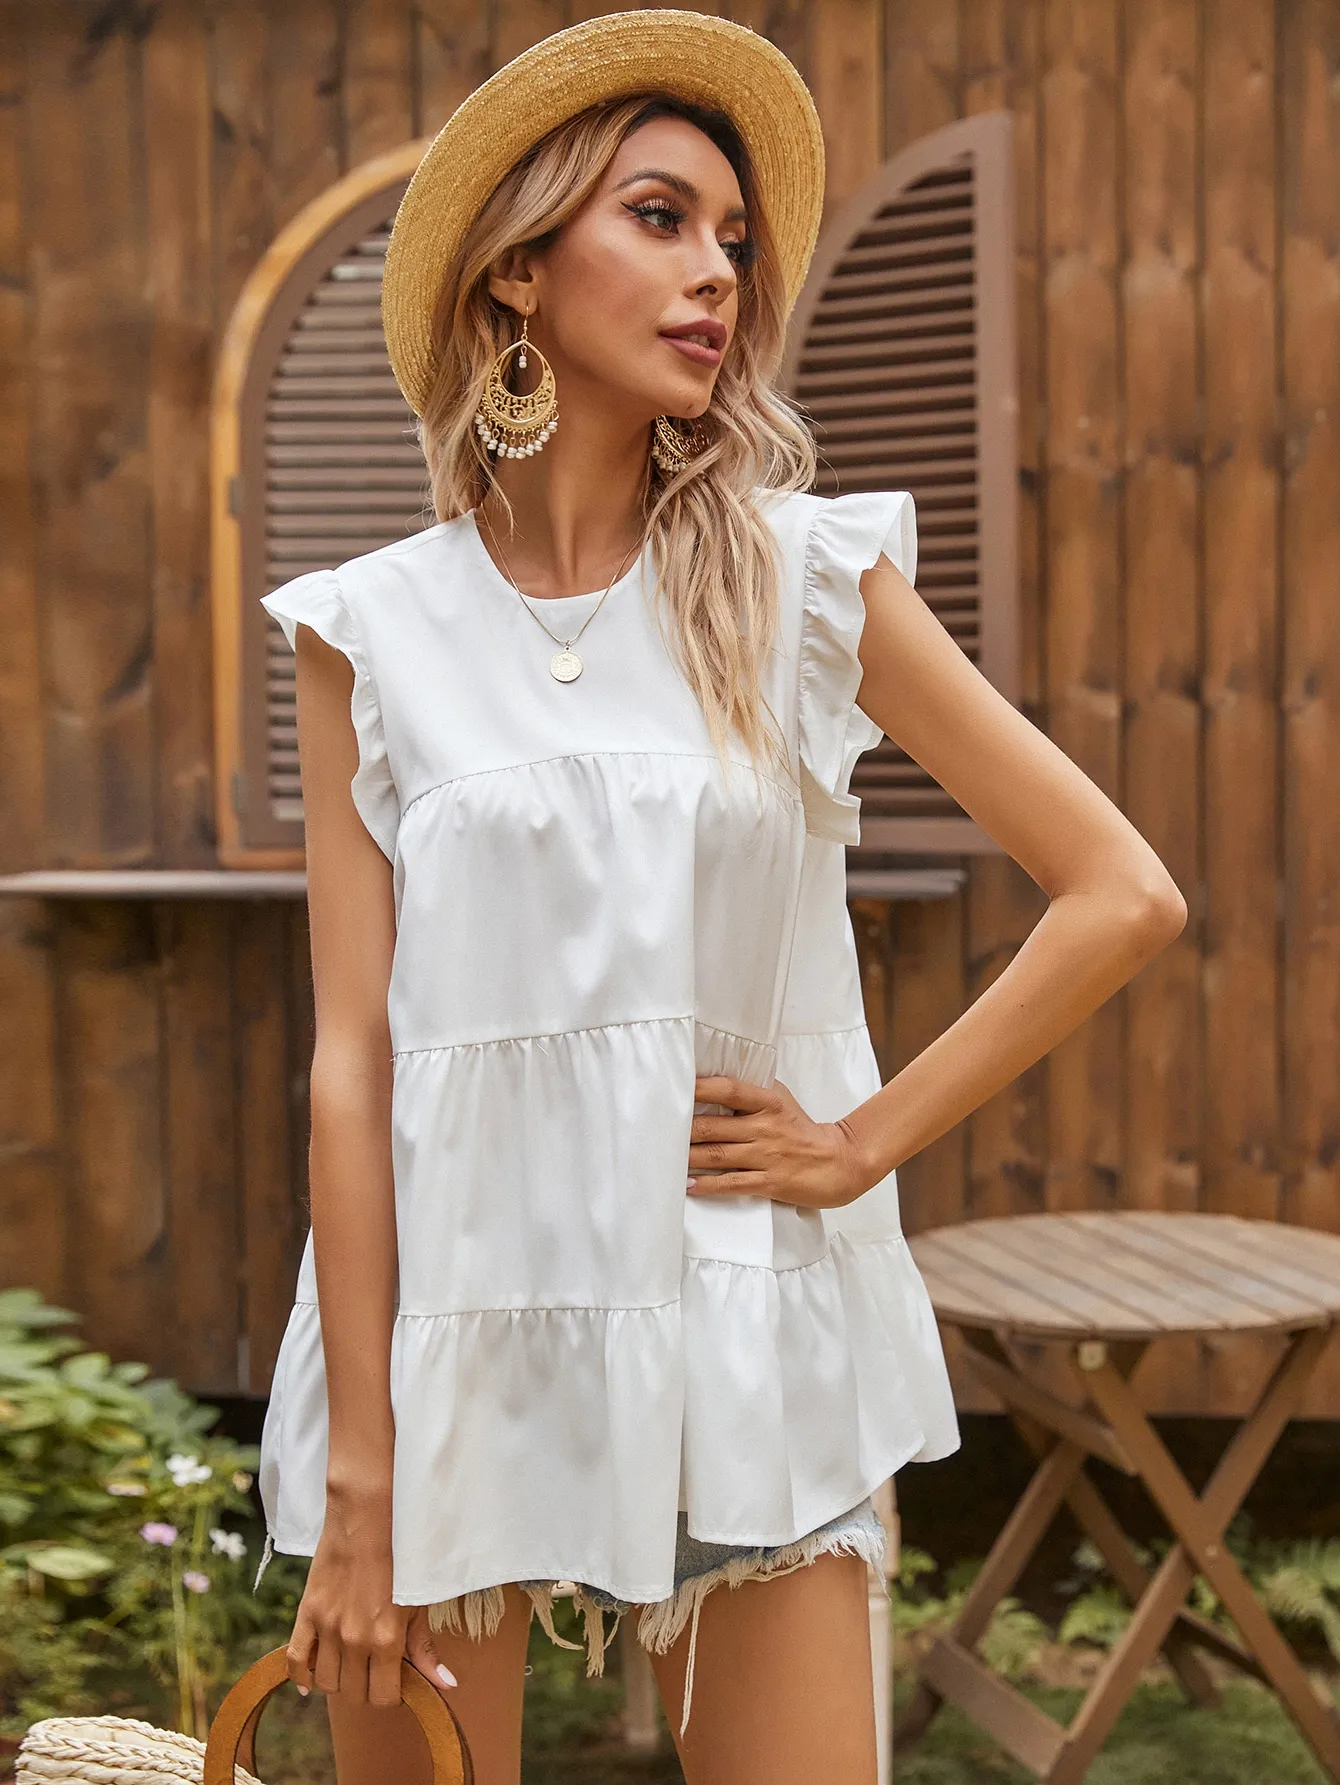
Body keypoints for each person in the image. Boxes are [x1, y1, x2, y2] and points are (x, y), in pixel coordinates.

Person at [255, 13, 1187, 1785]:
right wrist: (362, 1475)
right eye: (661, 218)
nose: (718, 276)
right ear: (518, 270)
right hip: (447, 1342)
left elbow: (1119, 891)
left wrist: (859, 1144)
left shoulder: (805, 581)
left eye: (735, 241)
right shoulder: (367, 630)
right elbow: (352, 1064)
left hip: (742, 1322)